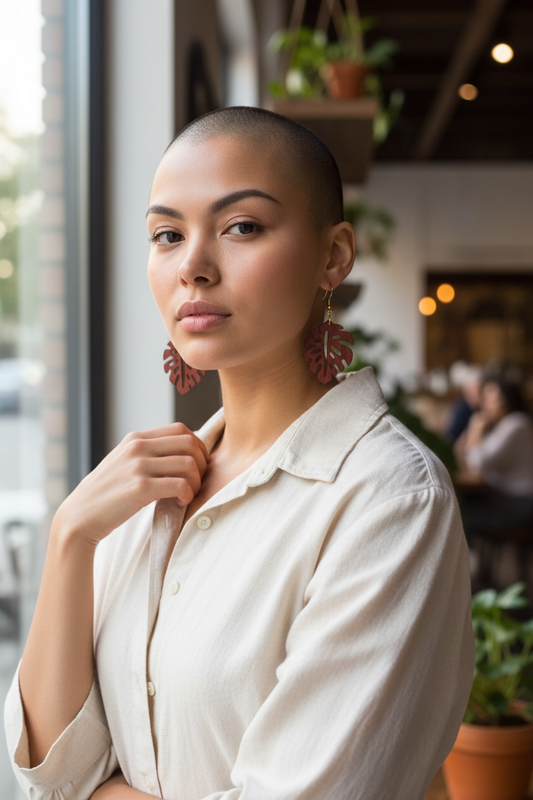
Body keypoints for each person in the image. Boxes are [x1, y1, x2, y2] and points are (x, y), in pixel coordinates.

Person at [5, 107, 473, 800]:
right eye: (167, 234)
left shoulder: (388, 499)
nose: (192, 265)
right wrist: (71, 536)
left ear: (333, 256)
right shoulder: (137, 490)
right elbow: (44, 767)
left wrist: (87, 793)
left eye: (241, 227)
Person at [457, 377, 533, 537]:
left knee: (457, 513)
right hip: (503, 498)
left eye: (494, 399)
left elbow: (477, 463)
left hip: (520, 503)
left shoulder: (516, 424)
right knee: (459, 505)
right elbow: (459, 451)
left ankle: (469, 561)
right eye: (486, 399)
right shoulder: (502, 425)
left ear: (508, 400)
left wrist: (474, 431)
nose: (487, 405)